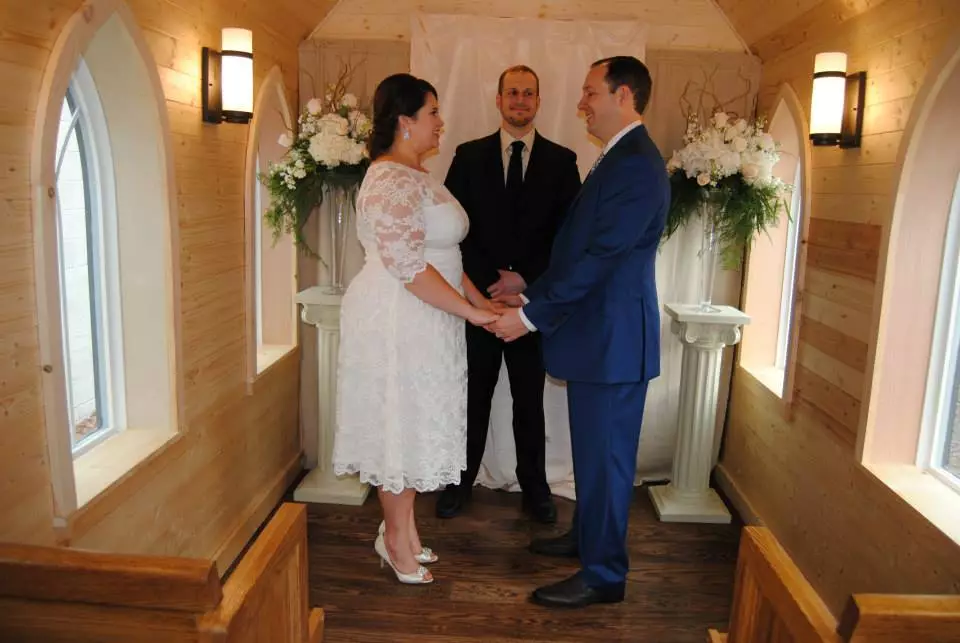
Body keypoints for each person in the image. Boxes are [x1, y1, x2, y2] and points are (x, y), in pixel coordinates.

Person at [489, 56, 669, 608]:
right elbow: (577, 251)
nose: (583, 103)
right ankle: (587, 541)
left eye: (591, 92)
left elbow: (602, 258)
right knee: (593, 456)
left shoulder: (636, 164)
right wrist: (534, 290)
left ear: (623, 96)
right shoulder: (617, 158)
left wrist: (529, 317)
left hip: (613, 344)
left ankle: (605, 575)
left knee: (609, 462)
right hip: (599, 339)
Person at [332, 73, 500, 585]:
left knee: (413, 427)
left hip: (430, 315)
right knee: (397, 430)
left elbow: (443, 255)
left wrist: (477, 299)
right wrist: (470, 314)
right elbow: (407, 265)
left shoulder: (419, 175)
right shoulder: (389, 179)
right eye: (432, 113)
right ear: (405, 121)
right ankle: (396, 539)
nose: (439, 123)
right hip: (400, 318)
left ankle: (401, 533)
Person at [436, 65, 581, 524]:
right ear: (498, 100)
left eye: (529, 93)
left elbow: (568, 237)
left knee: (528, 401)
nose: (520, 100)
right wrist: (485, 291)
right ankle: (460, 482)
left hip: (530, 307)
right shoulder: (468, 155)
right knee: (472, 396)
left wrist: (525, 283)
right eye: (512, 93)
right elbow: (454, 232)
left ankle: (535, 487)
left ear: (539, 102)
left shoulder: (562, 161)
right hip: (477, 302)